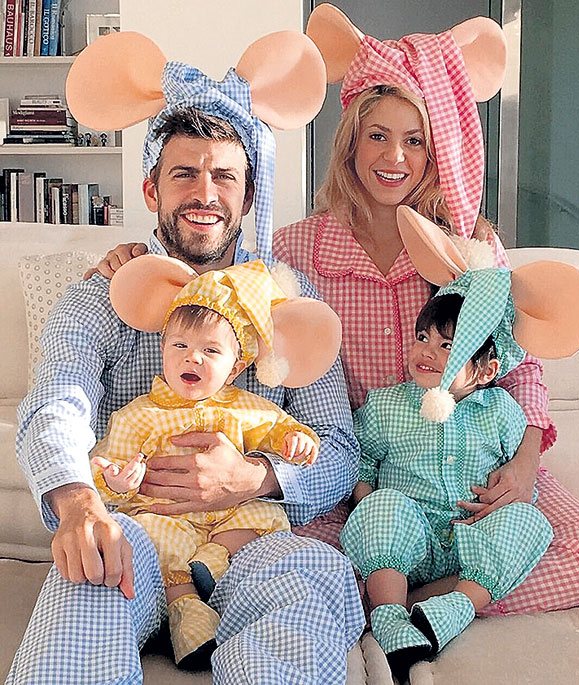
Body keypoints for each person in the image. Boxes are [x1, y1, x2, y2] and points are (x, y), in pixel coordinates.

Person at [89, 7, 579, 617]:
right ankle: (392, 594)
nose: (395, 156)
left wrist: (523, 466)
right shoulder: (296, 251)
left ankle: (420, 604)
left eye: (416, 140)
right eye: (377, 135)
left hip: (472, 464)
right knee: (309, 577)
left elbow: (521, 369)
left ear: (437, 148)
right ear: (351, 141)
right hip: (363, 482)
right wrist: (136, 255)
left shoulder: (469, 248)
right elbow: (220, 291)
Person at [7, 30, 364, 685]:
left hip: (254, 540)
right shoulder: (101, 295)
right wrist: (80, 504)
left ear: (248, 197)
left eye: (224, 176)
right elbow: (57, 401)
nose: (206, 193)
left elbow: (338, 447)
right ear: (151, 191)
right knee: (88, 573)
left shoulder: (291, 301)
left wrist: (255, 475)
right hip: (139, 534)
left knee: (313, 576)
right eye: (184, 174)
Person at [91, 258, 327, 669]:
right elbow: (107, 461)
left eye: (210, 350)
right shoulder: (139, 415)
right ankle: (187, 613)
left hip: (233, 514)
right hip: (170, 515)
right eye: (180, 346)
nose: (192, 359)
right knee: (149, 531)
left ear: (236, 367)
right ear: (162, 349)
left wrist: (296, 440)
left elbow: (281, 428)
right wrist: (116, 480)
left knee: (266, 514)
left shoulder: (247, 408)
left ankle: (214, 561)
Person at [341, 285, 553, 680]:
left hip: (472, 542)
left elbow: (521, 477)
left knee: (530, 521)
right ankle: (389, 616)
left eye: (447, 346)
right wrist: (367, 503)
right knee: (380, 506)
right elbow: (361, 460)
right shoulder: (387, 404)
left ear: (486, 371)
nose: (427, 351)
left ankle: (455, 608)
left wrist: (502, 502)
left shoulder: (501, 411)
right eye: (423, 338)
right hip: (408, 537)